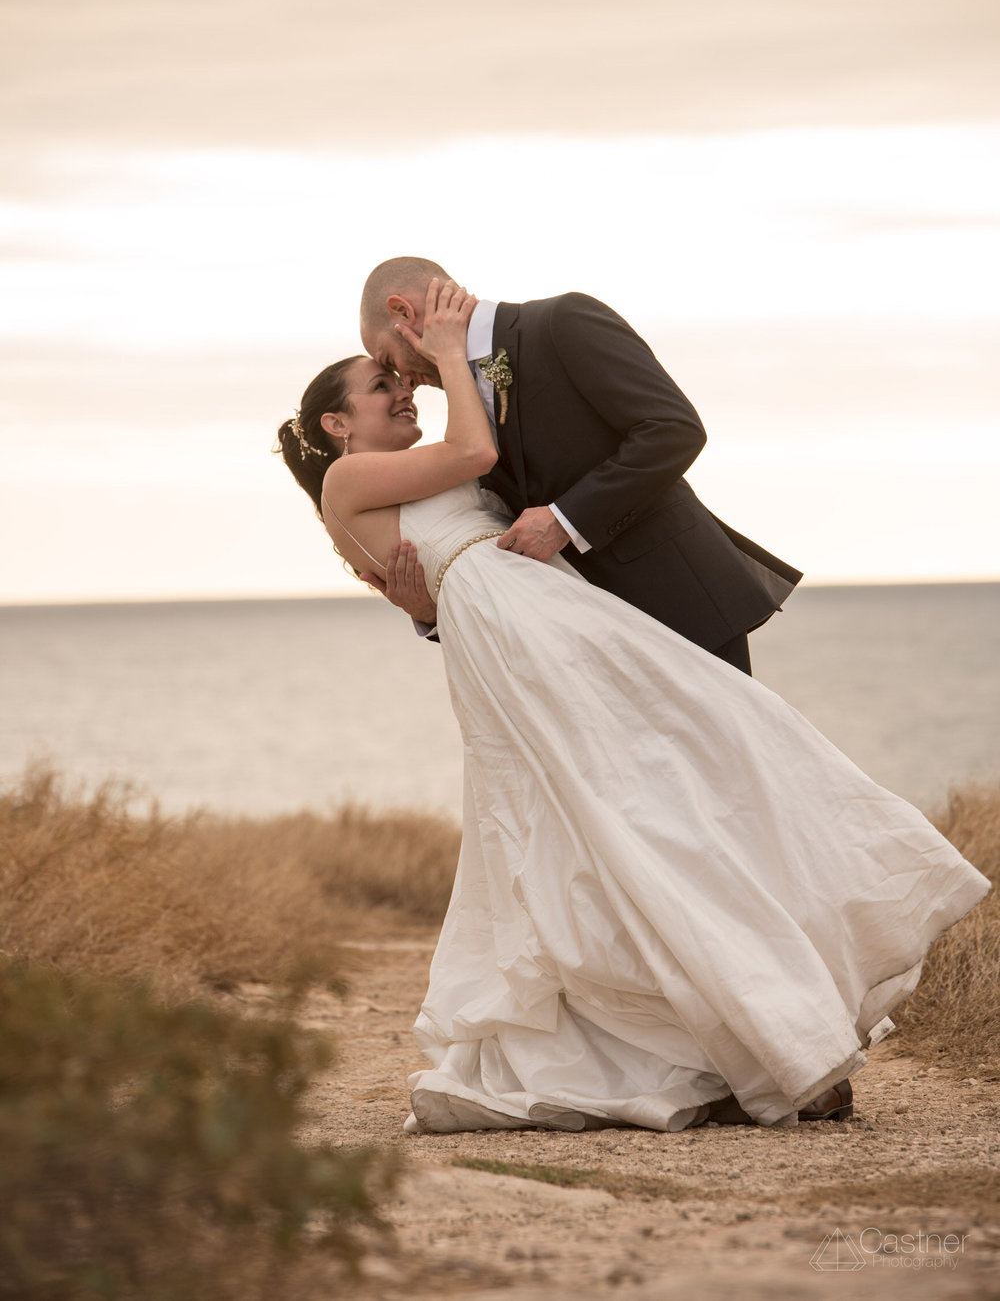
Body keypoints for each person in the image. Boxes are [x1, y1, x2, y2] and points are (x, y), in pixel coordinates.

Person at [276, 282, 990, 1134]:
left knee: (672, 794)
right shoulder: (360, 472)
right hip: (524, 626)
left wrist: (425, 600)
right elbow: (470, 464)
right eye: (381, 383)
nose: (405, 386)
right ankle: (748, 1038)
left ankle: (752, 1026)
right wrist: (450, 347)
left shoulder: (545, 336)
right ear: (336, 425)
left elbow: (459, 545)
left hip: (550, 612)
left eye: (396, 368)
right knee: (639, 812)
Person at [358, 256, 803, 676]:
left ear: (402, 311)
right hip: (587, 650)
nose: (406, 383)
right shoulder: (463, 413)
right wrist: (430, 613)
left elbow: (672, 428)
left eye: (387, 359)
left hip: (679, 609)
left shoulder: (560, 322)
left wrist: (563, 520)